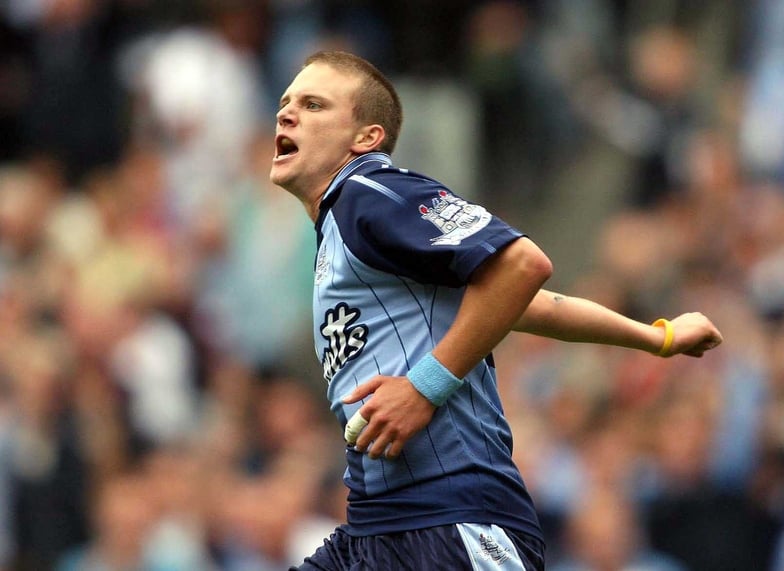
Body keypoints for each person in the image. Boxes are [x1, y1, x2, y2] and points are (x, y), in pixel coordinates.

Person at [270, 50, 723, 571]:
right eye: (285, 102)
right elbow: (531, 306)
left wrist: (424, 387)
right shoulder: (345, 228)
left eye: (313, 104)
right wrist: (657, 338)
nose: (286, 113)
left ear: (366, 138)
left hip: (451, 520)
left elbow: (521, 266)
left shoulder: (369, 193)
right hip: (380, 524)